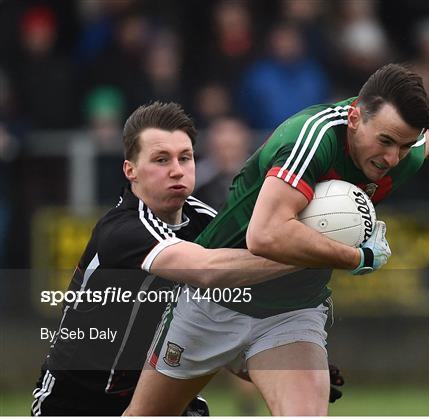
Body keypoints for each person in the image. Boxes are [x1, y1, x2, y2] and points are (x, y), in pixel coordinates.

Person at [124, 64, 429, 416]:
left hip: (292, 312)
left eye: (405, 146)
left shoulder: (400, 148)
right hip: (217, 300)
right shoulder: (310, 138)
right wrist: (355, 258)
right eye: (387, 141)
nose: (393, 158)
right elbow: (265, 235)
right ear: (356, 117)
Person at [31, 101, 305, 416]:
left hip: (163, 393)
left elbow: (235, 315)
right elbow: (208, 270)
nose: (177, 169)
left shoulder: (205, 221)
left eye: (184, 157)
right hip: (76, 403)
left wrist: (291, 362)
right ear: (130, 170)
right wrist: (311, 255)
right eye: (161, 159)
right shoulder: (122, 231)